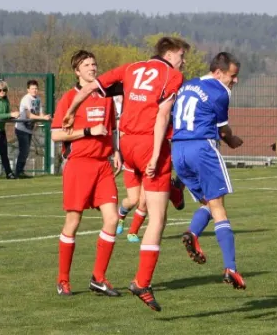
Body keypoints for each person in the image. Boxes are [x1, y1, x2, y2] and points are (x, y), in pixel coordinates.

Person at [62, 36, 188, 312]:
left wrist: (71, 112)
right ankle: (142, 282)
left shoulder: (130, 68)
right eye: (182, 56)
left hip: (126, 144)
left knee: (140, 197)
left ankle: (175, 190)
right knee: (157, 218)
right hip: (146, 143)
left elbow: (90, 90)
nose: (183, 62)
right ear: (170, 54)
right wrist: (155, 155)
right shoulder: (172, 75)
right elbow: (162, 116)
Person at [171, 52, 247, 291]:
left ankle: (192, 233)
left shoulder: (188, 84)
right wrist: (233, 139)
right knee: (219, 207)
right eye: (232, 76)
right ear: (217, 72)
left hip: (178, 150)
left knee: (207, 201)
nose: (234, 81)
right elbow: (222, 129)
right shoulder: (220, 91)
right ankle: (231, 268)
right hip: (201, 147)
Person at [51, 50, 122, 297]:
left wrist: (115, 151)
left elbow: (111, 129)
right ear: (77, 71)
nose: (92, 67)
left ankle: (98, 278)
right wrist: (88, 132)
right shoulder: (69, 98)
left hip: (103, 165)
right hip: (79, 164)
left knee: (112, 218)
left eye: (94, 63)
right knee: (73, 221)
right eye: (86, 64)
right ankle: (63, 280)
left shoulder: (106, 97)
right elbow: (56, 134)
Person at [15, 80, 51, 178]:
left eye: (36, 88)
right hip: (21, 128)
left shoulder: (38, 99)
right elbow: (29, 115)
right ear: (28, 90)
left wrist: (46, 117)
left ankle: (20, 171)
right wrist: (42, 118)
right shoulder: (26, 99)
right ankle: (18, 172)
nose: (34, 90)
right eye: (32, 88)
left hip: (30, 129)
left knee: (26, 151)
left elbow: (40, 113)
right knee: (24, 150)